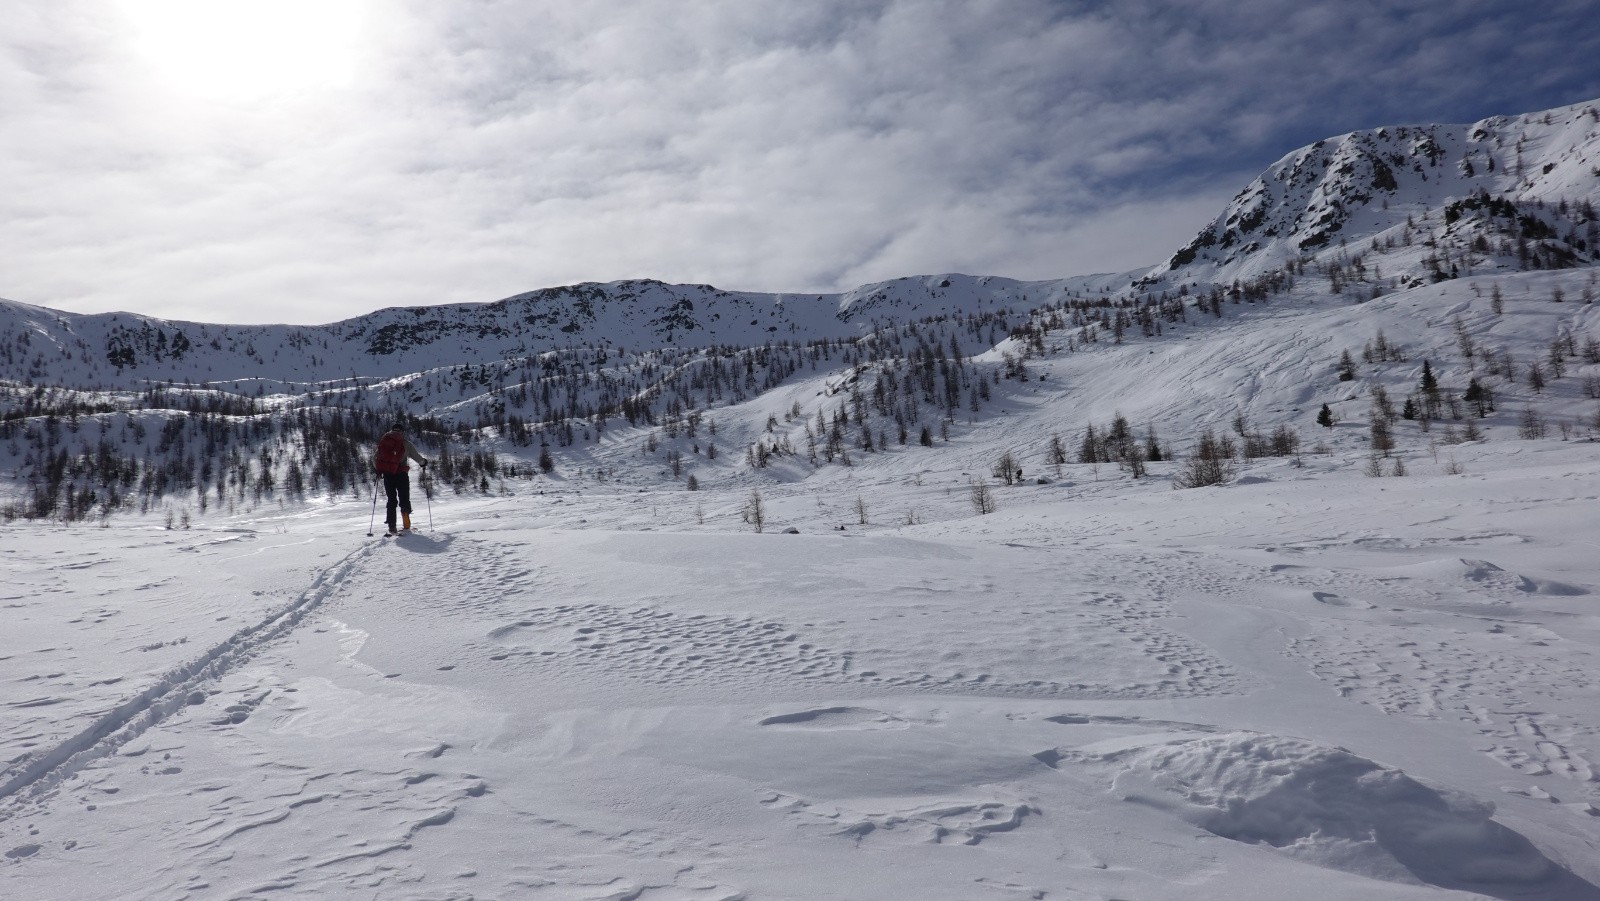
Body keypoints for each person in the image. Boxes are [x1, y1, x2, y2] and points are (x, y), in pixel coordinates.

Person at [373, 423, 430, 534]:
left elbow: (375, 458)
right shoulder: (406, 444)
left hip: (388, 475)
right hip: (401, 474)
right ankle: (406, 525)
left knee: (391, 500)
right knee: (404, 498)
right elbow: (417, 458)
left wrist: (380, 470)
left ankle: (392, 527)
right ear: (402, 432)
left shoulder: (385, 442)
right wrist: (423, 463)